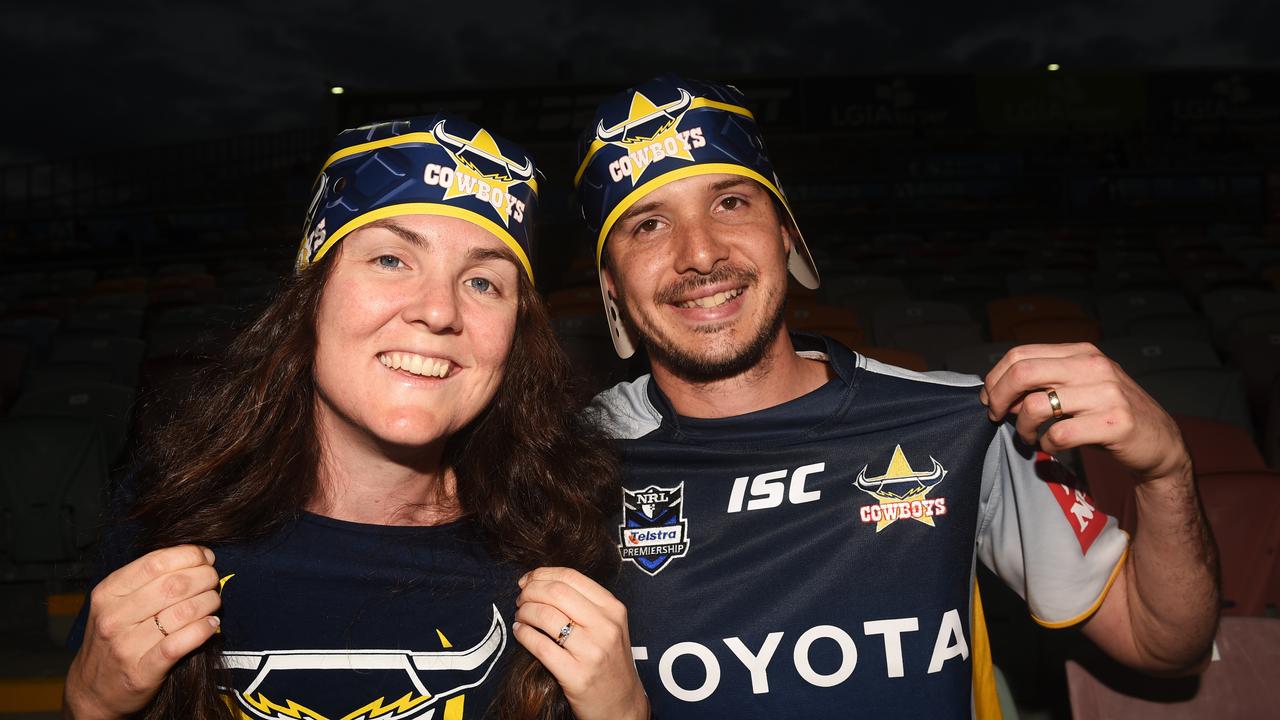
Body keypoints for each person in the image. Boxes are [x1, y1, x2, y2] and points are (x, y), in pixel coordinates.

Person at [561, 75, 1220, 718]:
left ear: (786, 231)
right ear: (611, 284)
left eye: (731, 202)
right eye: (647, 225)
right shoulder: (565, 464)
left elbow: (1162, 643)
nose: (700, 253)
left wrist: (1166, 473)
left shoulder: (967, 424)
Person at [63, 115, 647, 720]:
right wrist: (91, 703)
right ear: (311, 294)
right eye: (392, 260)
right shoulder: (171, 508)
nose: (439, 311)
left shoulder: (566, 534)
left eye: (482, 281)